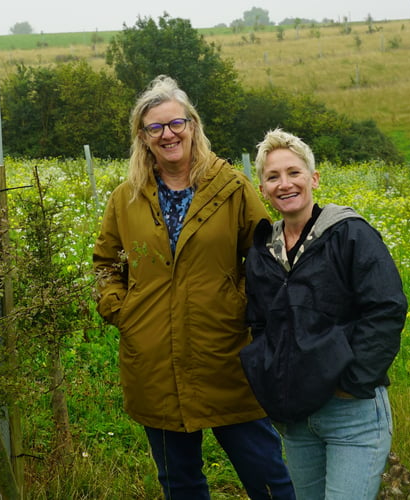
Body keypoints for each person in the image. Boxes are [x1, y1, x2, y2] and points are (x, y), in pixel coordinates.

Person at [92, 75, 295, 499]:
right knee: (179, 482)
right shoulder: (125, 198)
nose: (168, 134)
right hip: (154, 359)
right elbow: (105, 264)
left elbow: (266, 260)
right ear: (143, 138)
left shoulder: (232, 187)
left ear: (193, 126)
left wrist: (240, 307)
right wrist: (122, 311)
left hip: (224, 352)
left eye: (176, 123)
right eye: (155, 127)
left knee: (266, 476)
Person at [241, 128, 408, 499]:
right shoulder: (262, 253)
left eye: (293, 172)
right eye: (273, 177)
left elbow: (386, 309)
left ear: (313, 178)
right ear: (264, 189)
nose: (285, 184)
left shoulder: (350, 234)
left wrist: (349, 382)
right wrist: (272, 379)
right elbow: (259, 323)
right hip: (297, 419)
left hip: (352, 414)